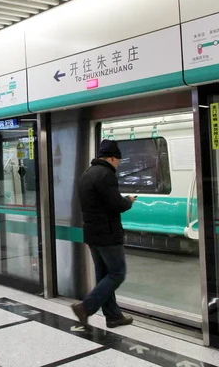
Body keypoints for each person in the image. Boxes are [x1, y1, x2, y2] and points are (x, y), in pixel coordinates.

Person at [71, 139, 137, 329]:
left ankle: (113, 316)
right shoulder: (106, 175)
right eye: (118, 160)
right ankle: (85, 307)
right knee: (117, 273)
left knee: (104, 275)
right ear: (112, 158)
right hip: (108, 234)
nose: (118, 164)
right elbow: (116, 205)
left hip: (92, 234)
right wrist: (129, 200)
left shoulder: (87, 174)